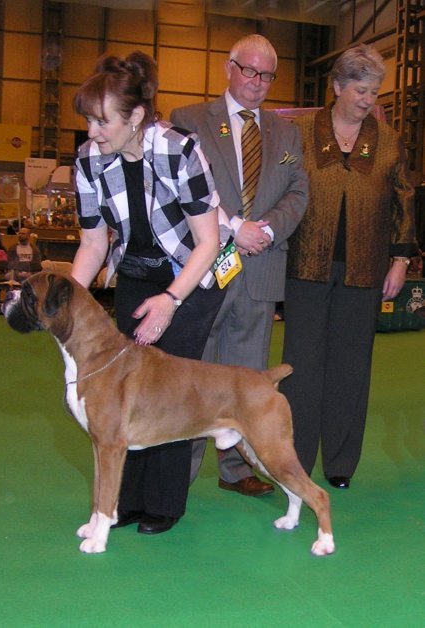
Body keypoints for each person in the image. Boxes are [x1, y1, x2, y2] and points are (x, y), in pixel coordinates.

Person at [71, 51, 230, 534]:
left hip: (191, 277)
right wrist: (67, 303)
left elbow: (209, 241)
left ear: (136, 116)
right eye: (89, 120)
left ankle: (164, 504)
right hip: (136, 276)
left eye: (102, 121)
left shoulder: (180, 150)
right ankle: (124, 502)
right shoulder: (88, 161)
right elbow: (93, 243)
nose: (93, 131)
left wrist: (171, 301)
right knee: (123, 391)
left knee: (170, 391)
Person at [171, 34, 308, 496]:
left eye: (266, 74)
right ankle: (179, 475)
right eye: (248, 70)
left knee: (249, 379)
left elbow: (298, 193)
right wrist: (231, 226)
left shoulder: (287, 133)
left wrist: (266, 228)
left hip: (261, 268)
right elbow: (180, 187)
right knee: (194, 378)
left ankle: (237, 470)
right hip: (207, 265)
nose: (257, 82)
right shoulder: (189, 121)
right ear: (228, 68)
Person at [279, 44, 418, 490]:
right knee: (300, 367)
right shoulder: (298, 134)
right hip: (305, 267)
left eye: (374, 92)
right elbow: (279, 191)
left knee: (351, 368)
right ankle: (295, 460)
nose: (368, 100)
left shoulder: (389, 143)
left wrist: (399, 261)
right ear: (336, 86)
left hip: (363, 270)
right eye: (360, 90)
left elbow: (404, 204)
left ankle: (340, 463)